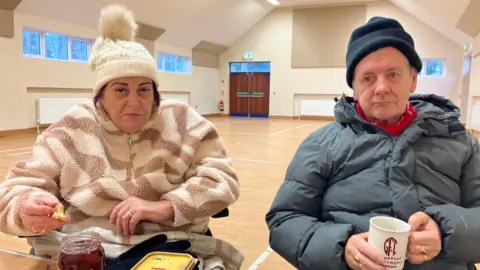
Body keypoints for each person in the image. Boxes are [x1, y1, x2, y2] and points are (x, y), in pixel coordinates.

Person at [0, 5, 243, 270]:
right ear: (101, 95)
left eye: (143, 89)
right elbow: (18, 187)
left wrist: (163, 207)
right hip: (87, 246)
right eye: (121, 90)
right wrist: (26, 208)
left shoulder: (183, 122)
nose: (135, 102)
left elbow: (222, 180)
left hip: (171, 242)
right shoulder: (73, 127)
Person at [266, 16, 480, 270]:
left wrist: (446, 232)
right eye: (368, 78)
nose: (381, 88)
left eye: (393, 74)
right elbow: (284, 220)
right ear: (354, 89)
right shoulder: (321, 144)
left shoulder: (460, 142)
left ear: (413, 79)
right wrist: (341, 247)